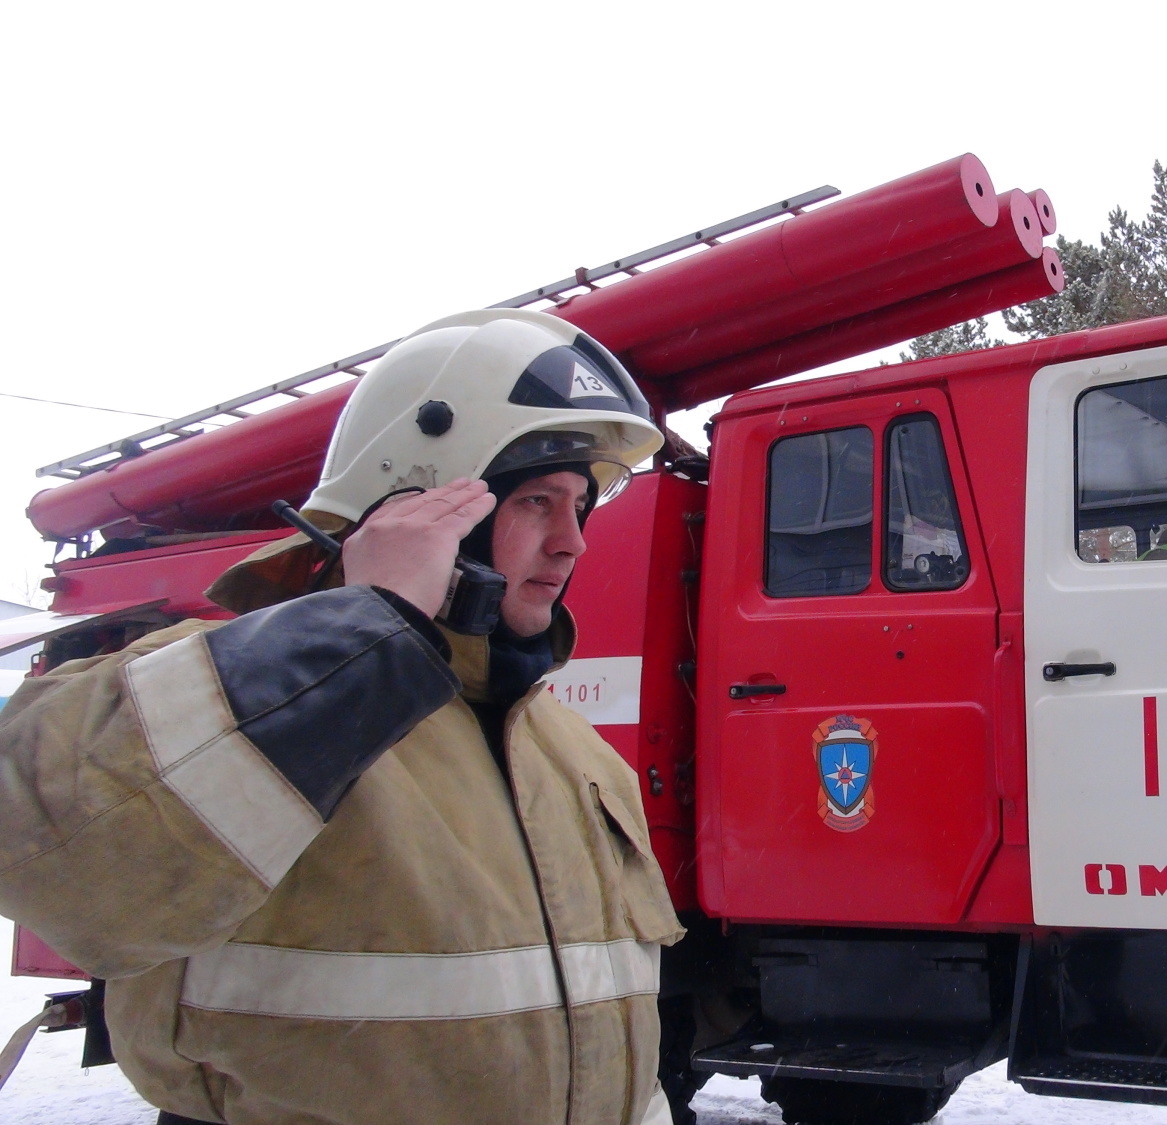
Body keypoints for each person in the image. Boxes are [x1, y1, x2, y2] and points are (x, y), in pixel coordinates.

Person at [0, 309, 683, 1125]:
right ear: (417, 502)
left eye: (581, 506)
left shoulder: (575, 754)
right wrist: (372, 621)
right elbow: (59, 857)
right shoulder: (242, 694)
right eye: (538, 499)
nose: (573, 542)